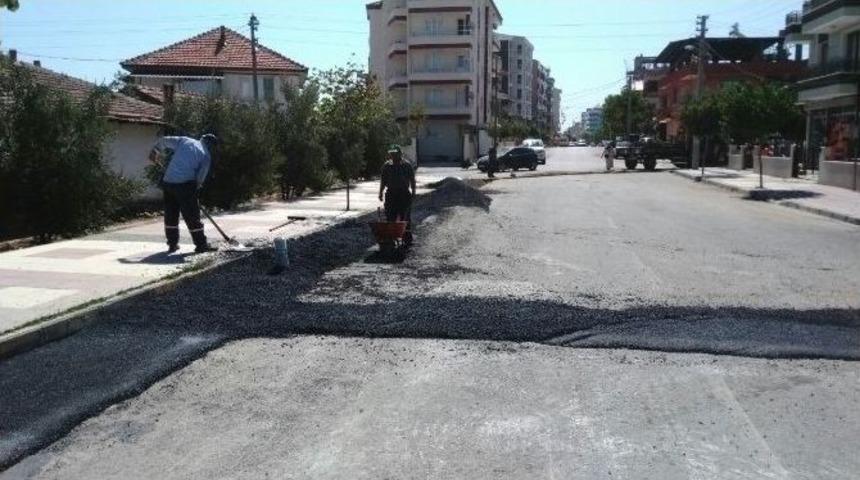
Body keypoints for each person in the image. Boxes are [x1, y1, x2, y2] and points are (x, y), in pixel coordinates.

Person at [148, 134, 219, 253]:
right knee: (192, 216)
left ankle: (172, 244)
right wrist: (193, 191)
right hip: (185, 185)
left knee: (171, 214)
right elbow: (200, 178)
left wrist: (155, 151)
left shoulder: (185, 141)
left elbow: (164, 140)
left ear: (202, 139)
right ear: (211, 146)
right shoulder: (206, 156)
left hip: (168, 182)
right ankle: (201, 245)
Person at [379, 145, 416, 245]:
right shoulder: (387, 166)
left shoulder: (407, 165)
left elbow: (412, 180)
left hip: (404, 194)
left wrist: (413, 192)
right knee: (390, 217)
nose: (393, 156)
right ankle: (391, 237)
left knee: (405, 217)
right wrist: (380, 193)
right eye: (392, 154)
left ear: (400, 154)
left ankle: (407, 237)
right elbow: (383, 180)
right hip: (391, 194)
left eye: (395, 154)